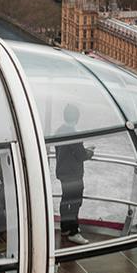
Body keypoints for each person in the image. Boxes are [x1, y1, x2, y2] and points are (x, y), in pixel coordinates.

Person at [54, 105, 94, 246]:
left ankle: (65, 227)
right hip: (73, 174)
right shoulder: (73, 134)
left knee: (66, 200)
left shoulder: (59, 130)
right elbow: (81, 155)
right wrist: (90, 152)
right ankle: (73, 232)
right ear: (77, 117)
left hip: (63, 173)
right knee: (75, 202)